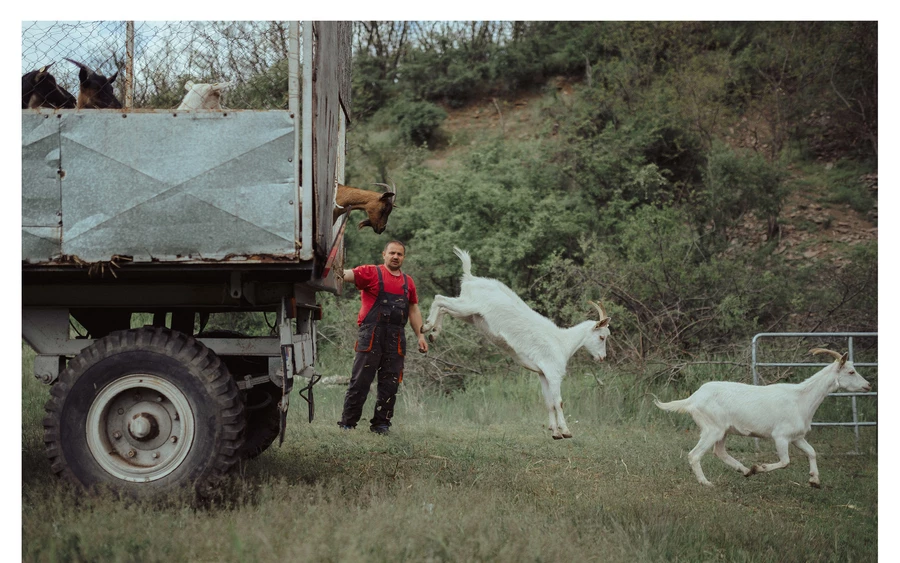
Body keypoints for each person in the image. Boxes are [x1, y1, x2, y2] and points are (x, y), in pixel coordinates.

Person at [337, 240, 428, 434]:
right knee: (361, 379)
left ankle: (381, 425)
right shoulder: (369, 272)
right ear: (384, 254)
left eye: (400, 254)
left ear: (403, 257)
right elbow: (344, 275)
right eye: (392, 253)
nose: (395, 257)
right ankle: (348, 423)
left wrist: (420, 335)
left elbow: (413, 309)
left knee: (390, 382)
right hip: (371, 335)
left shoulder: (408, 282)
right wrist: (331, 266)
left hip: (396, 336)